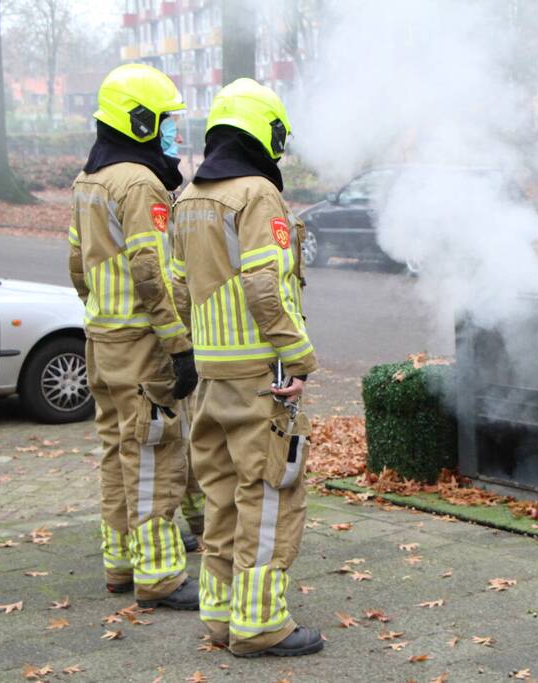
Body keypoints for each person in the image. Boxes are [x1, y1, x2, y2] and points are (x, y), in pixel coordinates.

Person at [171, 78, 322, 657]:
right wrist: (298, 355)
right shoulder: (256, 194)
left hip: (212, 379)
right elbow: (264, 283)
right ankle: (259, 625)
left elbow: (180, 286)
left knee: (222, 496)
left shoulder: (188, 199)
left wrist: (195, 352)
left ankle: (221, 615)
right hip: (261, 378)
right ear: (266, 132)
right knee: (269, 499)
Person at [67, 63, 199, 609]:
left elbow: (77, 263)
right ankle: (161, 575)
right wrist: (179, 343)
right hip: (144, 346)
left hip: (101, 342)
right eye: (166, 121)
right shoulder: (140, 183)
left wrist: (100, 313)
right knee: (153, 456)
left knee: (115, 453)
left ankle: (120, 563)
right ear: (140, 121)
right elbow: (152, 271)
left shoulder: (88, 181)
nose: (173, 132)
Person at [158, 111, 207, 550]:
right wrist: (180, 343)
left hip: (168, 333)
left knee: (182, 438)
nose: (175, 142)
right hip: (165, 338)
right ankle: (187, 522)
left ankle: (197, 523)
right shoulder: (145, 191)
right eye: (169, 133)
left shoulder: (175, 195)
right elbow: (169, 279)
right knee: (173, 442)